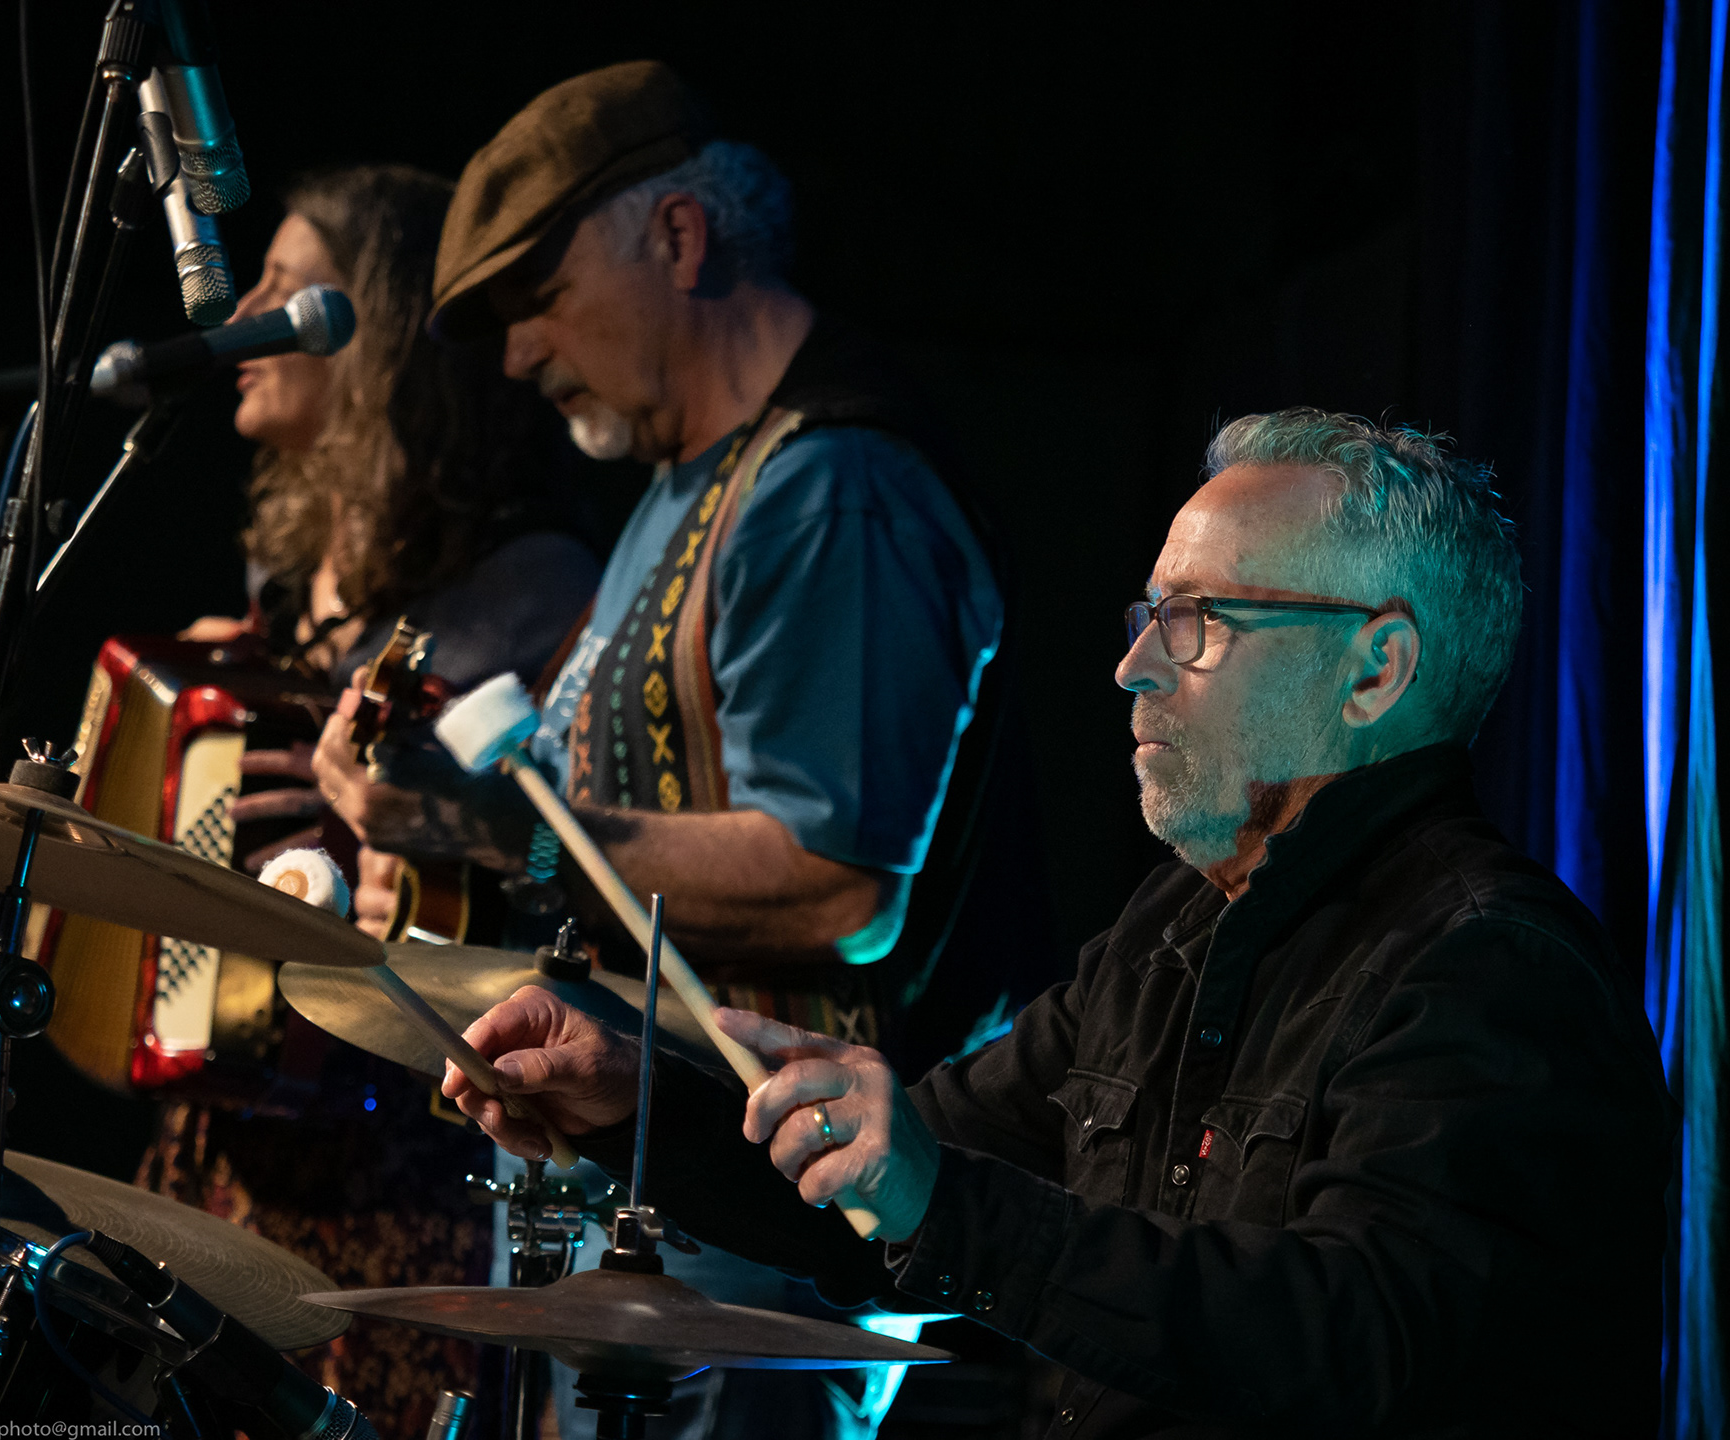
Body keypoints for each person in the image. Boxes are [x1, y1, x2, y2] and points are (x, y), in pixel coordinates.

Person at [443, 410, 1675, 1438]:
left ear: (1374, 668)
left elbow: (1351, 1338)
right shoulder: (1168, 934)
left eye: (1197, 620)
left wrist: (943, 1205)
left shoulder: (1491, 967)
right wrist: (634, 1103)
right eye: (1148, 616)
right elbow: (898, 1185)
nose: (1135, 667)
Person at [309, 62, 1037, 1438]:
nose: (518, 355)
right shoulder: (675, 490)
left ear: (681, 238)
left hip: (780, 1227)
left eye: (539, 296)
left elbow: (840, 886)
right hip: (678, 1200)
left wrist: (488, 827)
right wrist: (452, 848)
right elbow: (602, 833)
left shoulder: (830, 487)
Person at [138, 164, 601, 1438]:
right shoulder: (284, 587)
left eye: (286, 287)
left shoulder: (526, 584)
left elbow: (539, 859)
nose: (245, 315)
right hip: (231, 1129)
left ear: (383, 332)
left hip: (402, 1148)